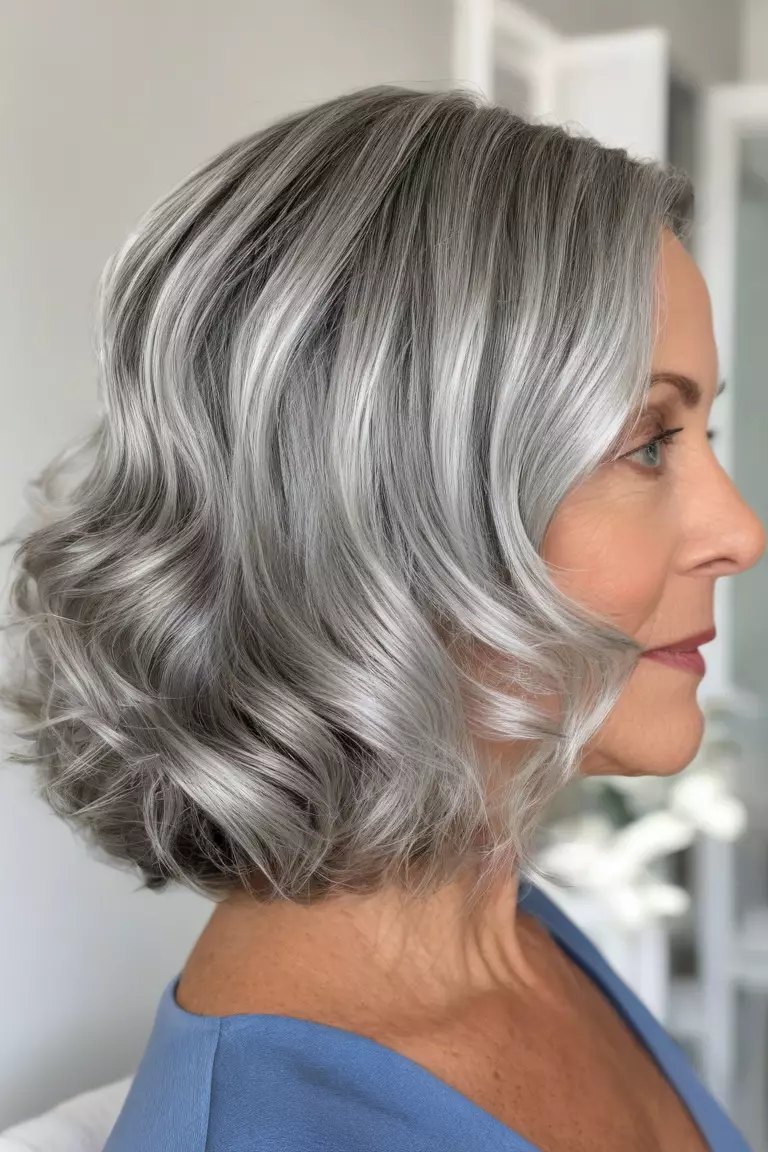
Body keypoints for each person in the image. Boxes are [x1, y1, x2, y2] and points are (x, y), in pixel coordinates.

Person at [2, 84, 764, 1152]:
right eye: (647, 441)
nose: (739, 530)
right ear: (389, 501)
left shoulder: (514, 934)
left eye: (705, 433)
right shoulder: (276, 1127)